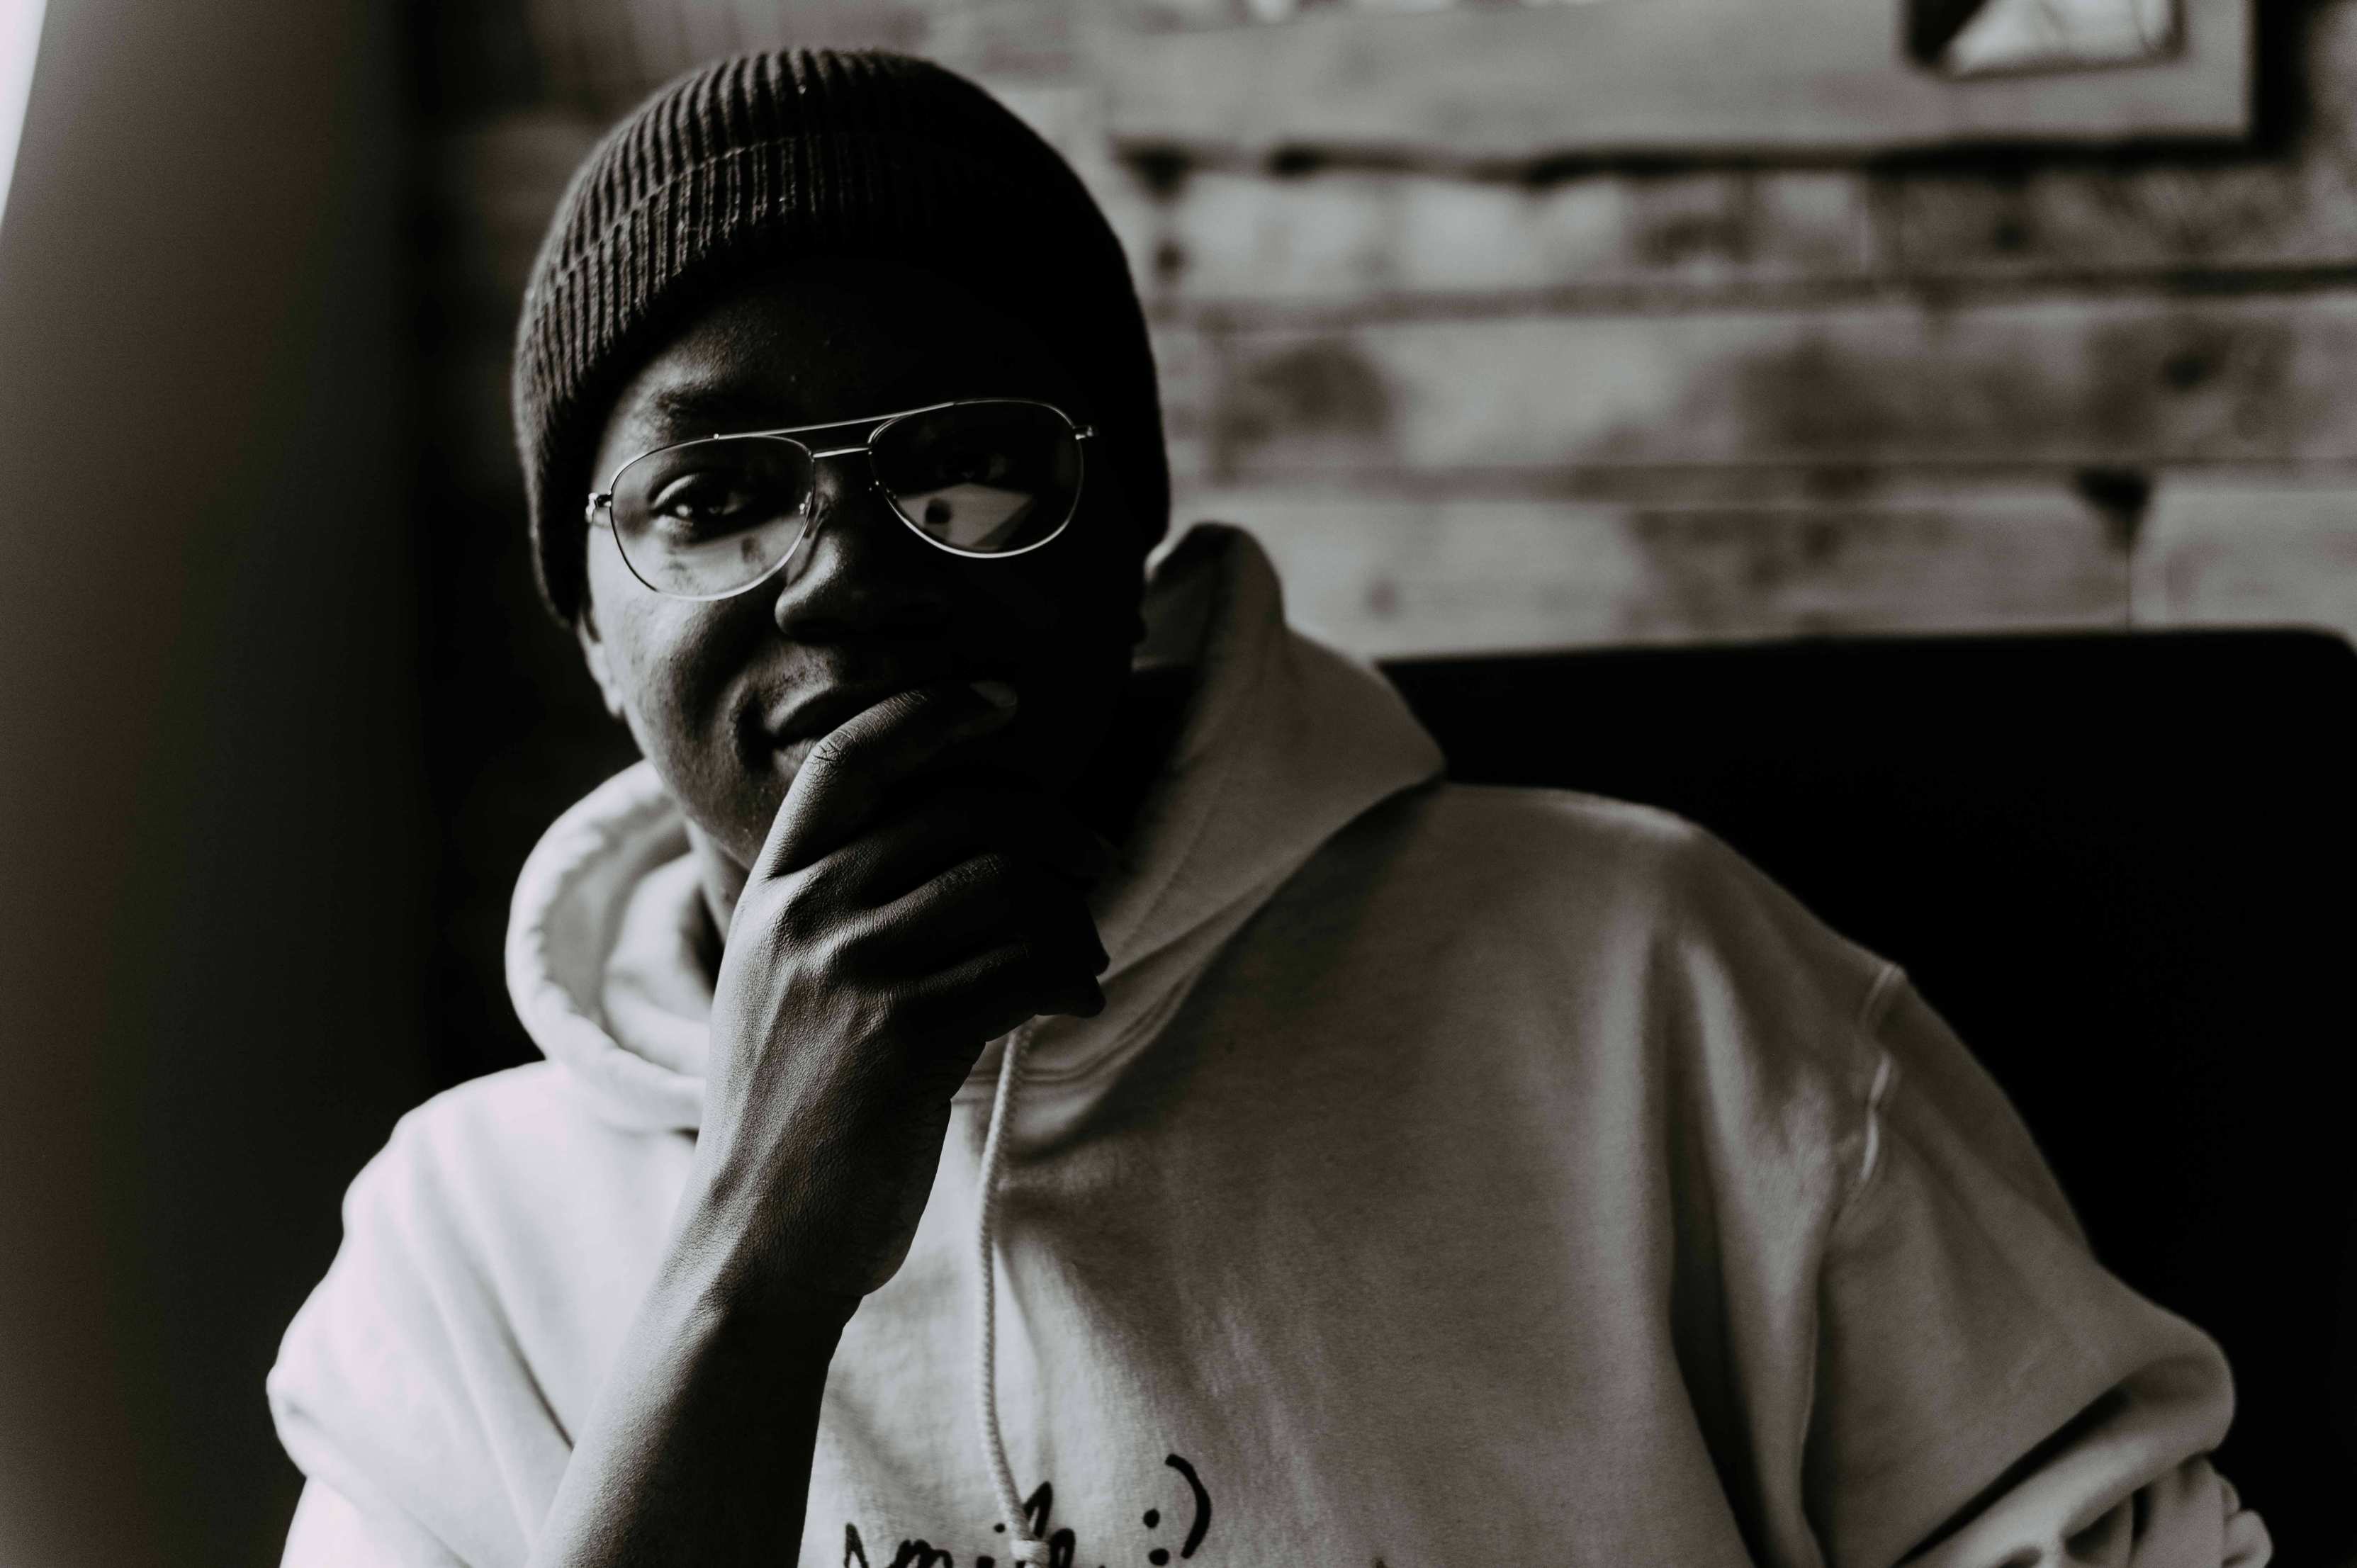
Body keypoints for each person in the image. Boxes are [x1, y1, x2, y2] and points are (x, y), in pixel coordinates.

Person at [268, 49, 2272, 1568]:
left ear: (1127, 538)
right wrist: (751, 1264)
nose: (847, 572)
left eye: (965, 469)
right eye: (711, 499)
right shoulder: (463, 1241)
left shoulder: (1643, 990)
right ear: (595, 637)